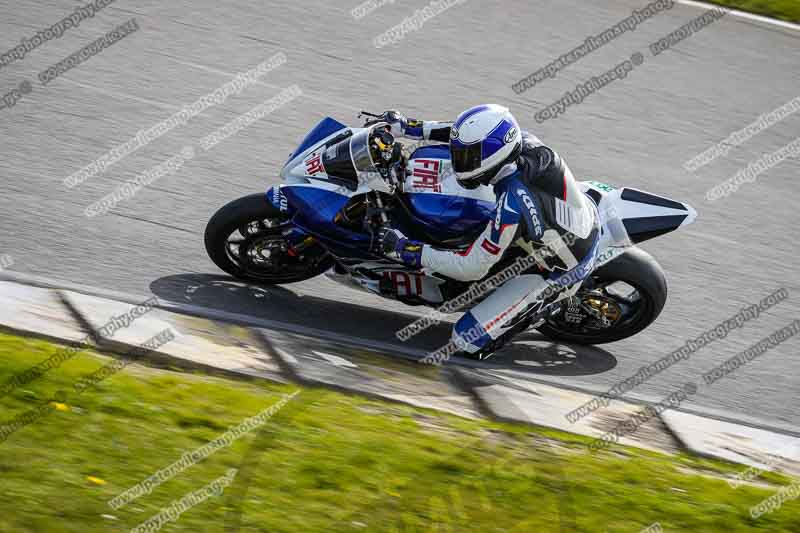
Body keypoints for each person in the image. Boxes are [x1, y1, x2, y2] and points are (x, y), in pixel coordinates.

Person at [376, 104, 601, 358]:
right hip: (570, 215)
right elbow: (456, 133)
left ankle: (549, 306)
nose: (458, 159)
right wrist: (409, 127)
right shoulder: (523, 141)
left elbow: (471, 267)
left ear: (490, 156)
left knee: (467, 340)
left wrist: (407, 250)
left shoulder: (512, 206)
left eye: (466, 157)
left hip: (558, 268)